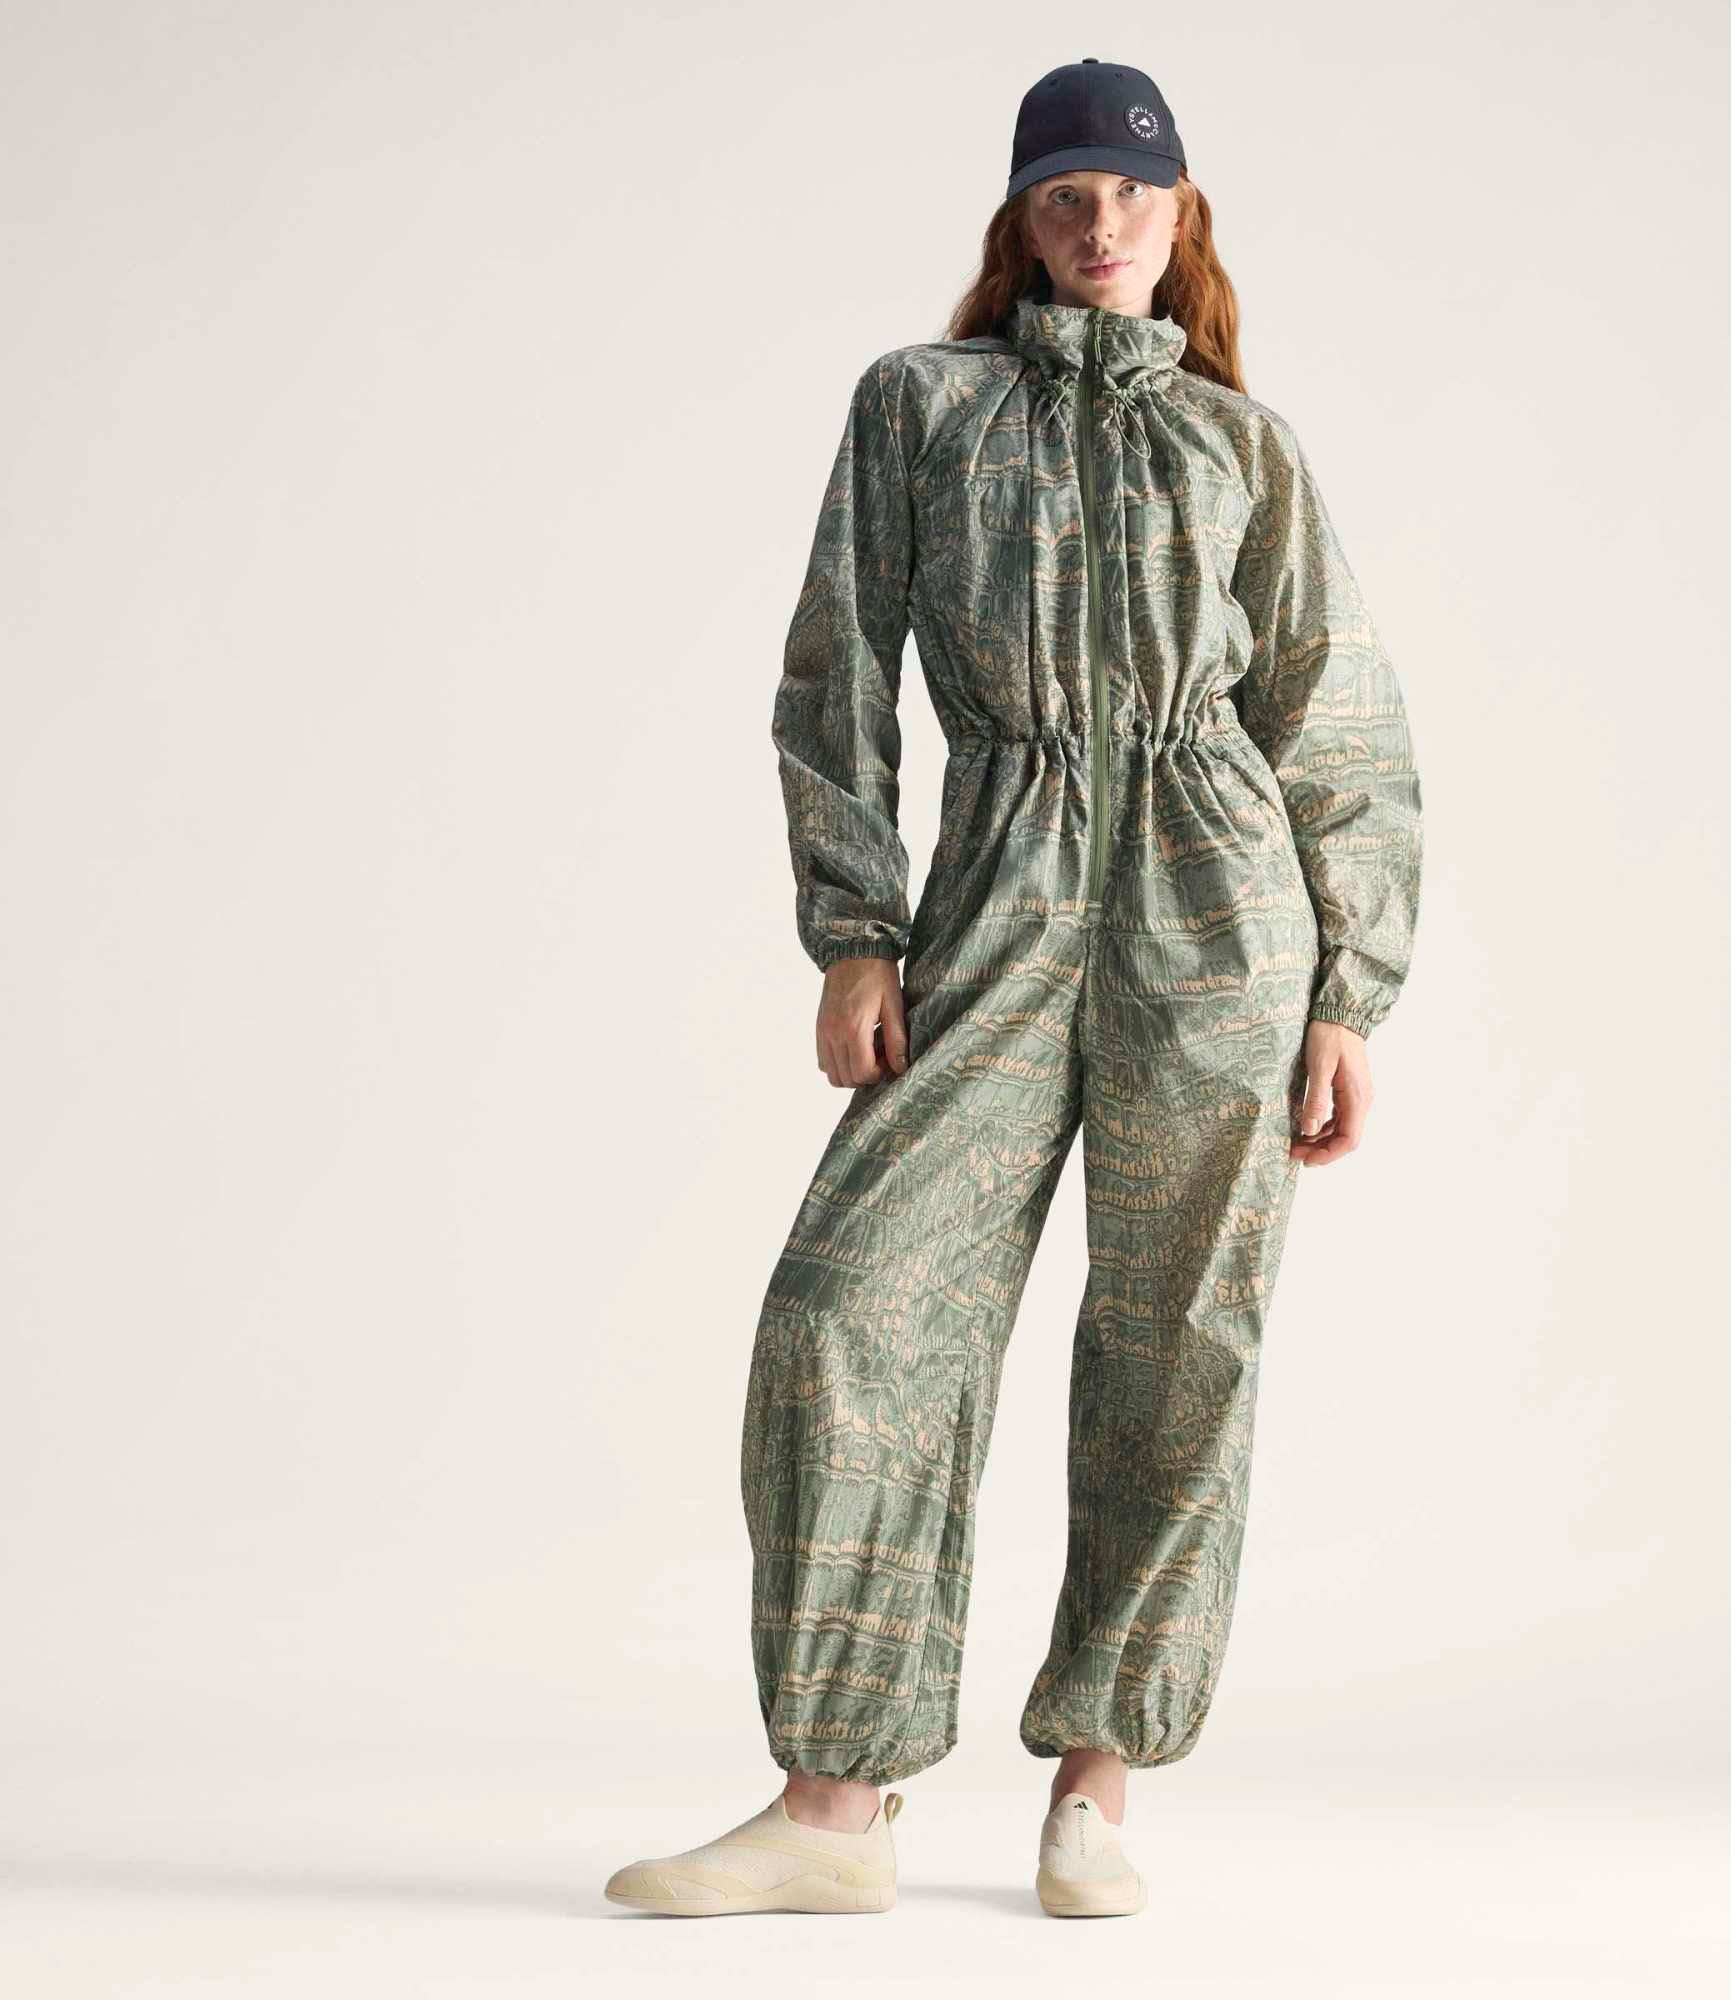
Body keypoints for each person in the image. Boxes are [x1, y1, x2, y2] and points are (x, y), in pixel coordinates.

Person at [604, 54, 1423, 1920]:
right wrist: (855, 927)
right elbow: (835, 672)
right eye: (1067, 192)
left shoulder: (1244, 446)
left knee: (1178, 1339)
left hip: (1222, 910)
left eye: (1134, 192)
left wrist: (1349, 989)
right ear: (1021, 220)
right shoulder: (921, 405)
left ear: (1181, 214)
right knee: (851, 1311)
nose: (1102, 222)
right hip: (997, 890)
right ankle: (833, 1815)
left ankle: (1095, 1797)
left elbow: (1340, 721)